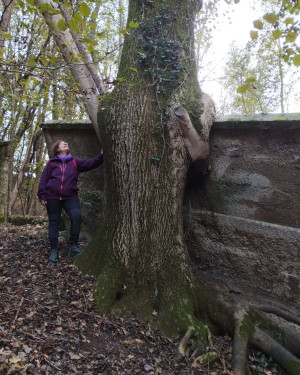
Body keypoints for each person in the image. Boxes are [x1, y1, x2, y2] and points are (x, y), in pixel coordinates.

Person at [38, 140, 103, 263]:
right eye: (62, 143)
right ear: (57, 149)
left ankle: (73, 246)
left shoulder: (74, 162)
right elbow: (43, 180)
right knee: (54, 222)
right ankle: (53, 251)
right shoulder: (52, 164)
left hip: (70, 197)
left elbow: (90, 163)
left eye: (66, 143)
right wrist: (42, 195)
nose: (65, 143)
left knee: (76, 216)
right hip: (52, 197)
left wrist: (101, 156)